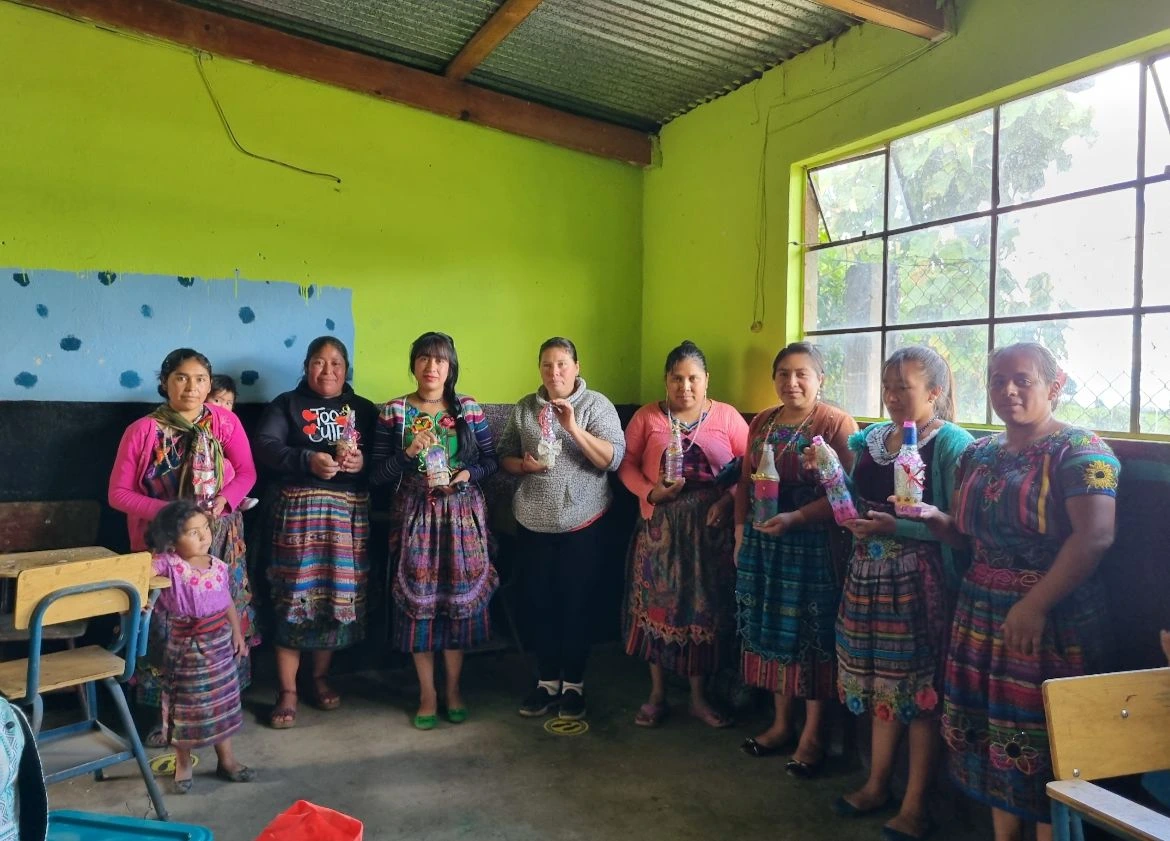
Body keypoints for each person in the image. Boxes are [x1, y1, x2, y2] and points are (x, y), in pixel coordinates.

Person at [910, 343, 1119, 841]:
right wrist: (935, 521)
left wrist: (1035, 604)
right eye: (998, 380)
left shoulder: (1082, 451)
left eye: (1022, 379)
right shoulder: (979, 453)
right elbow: (969, 534)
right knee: (994, 733)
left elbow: (1095, 536)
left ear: (1055, 385)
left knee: (1045, 742)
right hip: (980, 611)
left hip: (1049, 618)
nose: (1008, 390)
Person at [825, 346, 972, 841]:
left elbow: (960, 528)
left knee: (919, 693)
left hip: (917, 581)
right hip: (866, 575)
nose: (890, 396)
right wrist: (831, 477)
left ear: (935, 392)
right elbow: (852, 492)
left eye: (902, 387)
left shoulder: (951, 444)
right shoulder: (872, 438)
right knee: (880, 686)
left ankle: (915, 804)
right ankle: (877, 782)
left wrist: (900, 529)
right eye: (886, 386)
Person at [108, 347, 258, 747]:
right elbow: (118, 494)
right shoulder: (143, 432)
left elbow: (246, 472)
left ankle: (220, 714)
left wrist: (224, 500)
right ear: (165, 382)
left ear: (210, 385)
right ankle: (165, 719)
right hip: (161, 545)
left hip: (217, 540)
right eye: (181, 378)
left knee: (219, 622)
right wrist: (173, 513)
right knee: (166, 631)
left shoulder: (223, 423)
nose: (191, 387)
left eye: (200, 379)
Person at [734, 341, 858, 777]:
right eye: (783, 373)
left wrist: (797, 516)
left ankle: (814, 734)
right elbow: (746, 484)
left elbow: (846, 494)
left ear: (821, 379)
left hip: (814, 544)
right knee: (773, 631)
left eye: (802, 373)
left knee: (811, 634)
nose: (792, 382)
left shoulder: (836, 423)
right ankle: (782, 723)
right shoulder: (763, 422)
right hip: (765, 542)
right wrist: (739, 533)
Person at [371, 332, 499, 730]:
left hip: (462, 517)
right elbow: (376, 475)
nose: (432, 367)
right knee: (420, 605)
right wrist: (407, 455)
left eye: (440, 360)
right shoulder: (394, 412)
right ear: (413, 365)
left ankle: (454, 690)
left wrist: (466, 473)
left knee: (457, 605)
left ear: (451, 367)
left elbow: (491, 462)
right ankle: (427, 693)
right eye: (424, 359)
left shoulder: (469, 409)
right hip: (415, 517)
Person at [618, 340, 748, 728]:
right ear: (666, 380)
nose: (685, 386)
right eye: (677, 378)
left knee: (702, 611)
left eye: (693, 378)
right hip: (660, 528)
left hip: (710, 531)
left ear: (707, 380)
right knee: (656, 607)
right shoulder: (646, 418)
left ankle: (697, 697)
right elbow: (624, 464)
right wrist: (650, 492)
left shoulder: (726, 417)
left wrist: (728, 502)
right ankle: (657, 694)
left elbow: (748, 466)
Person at [499, 337, 625, 720]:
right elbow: (504, 456)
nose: (555, 372)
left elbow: (612, 459)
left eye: (562, 364)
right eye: (547, 365)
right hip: (532, 521)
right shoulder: (524, 408)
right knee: (538, 602)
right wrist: (524, 466)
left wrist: (572, 427)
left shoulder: (595, 405)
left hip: (581, 522)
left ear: (577, 367)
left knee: (576, 603)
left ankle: (574, 686)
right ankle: (546, 682)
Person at [254, 336, 377, 729]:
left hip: (347, 521)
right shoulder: (286, 404)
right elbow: (265, 445)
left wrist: (361, 464)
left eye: (336, 363)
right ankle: (288, 690)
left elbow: (384, 458)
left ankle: (319, 677)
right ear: (306, 366)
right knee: (294, 597)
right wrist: (306, 459)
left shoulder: (363, 410)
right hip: (298, 518)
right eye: (319, 363)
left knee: (335, 599)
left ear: (347, 369)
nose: (328, 371)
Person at [145, 500, 255, 793]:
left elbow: (227, 600)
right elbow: (139, 574)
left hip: (219, 646)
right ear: (171, 540)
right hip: (186, 648)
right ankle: (183, 763)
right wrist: (143, 596)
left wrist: (237, 634)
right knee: (187, 708)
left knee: (222, 702)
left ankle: (227, 760)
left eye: (205, 528)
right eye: (193, 533)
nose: (204, 536)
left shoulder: (218, 566)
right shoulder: (169, 565)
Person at [206, 374, 259, 512]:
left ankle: (237, 498)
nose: (223, 406)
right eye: (217, 400)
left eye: (228, 403)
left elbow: (245, 470)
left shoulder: (231, 425)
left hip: (220, 475)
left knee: (227, 466)